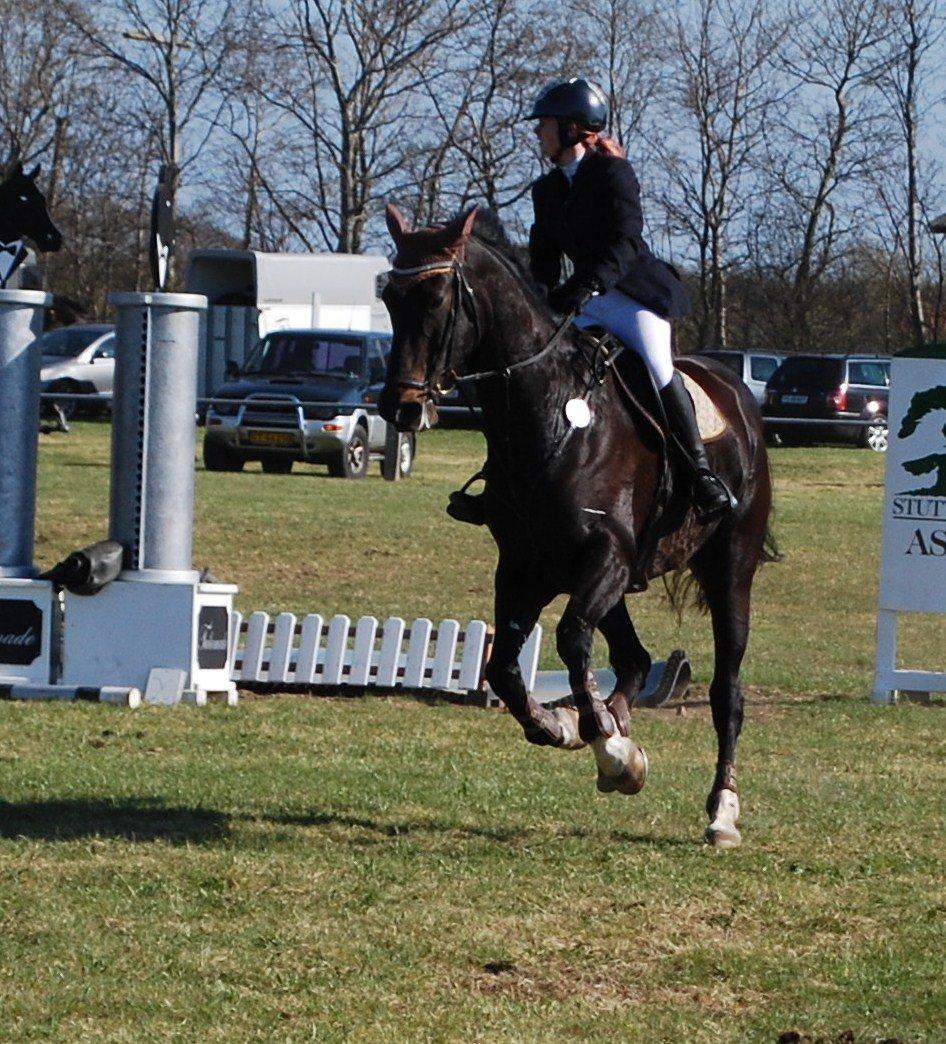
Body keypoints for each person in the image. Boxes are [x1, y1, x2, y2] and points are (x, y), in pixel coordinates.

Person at [448, 77, 735, 527]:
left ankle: (701, 475)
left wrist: (589, 285)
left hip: (634, 296)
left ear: (574, 129)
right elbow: (542, 263)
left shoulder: (613, 174)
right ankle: (502, 482)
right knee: (536, 372)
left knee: (658, 368)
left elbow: (625, 243)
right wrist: (539, 304)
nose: (538, 133)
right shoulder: (546, 190)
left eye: (545, 124)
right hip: (584, 300)